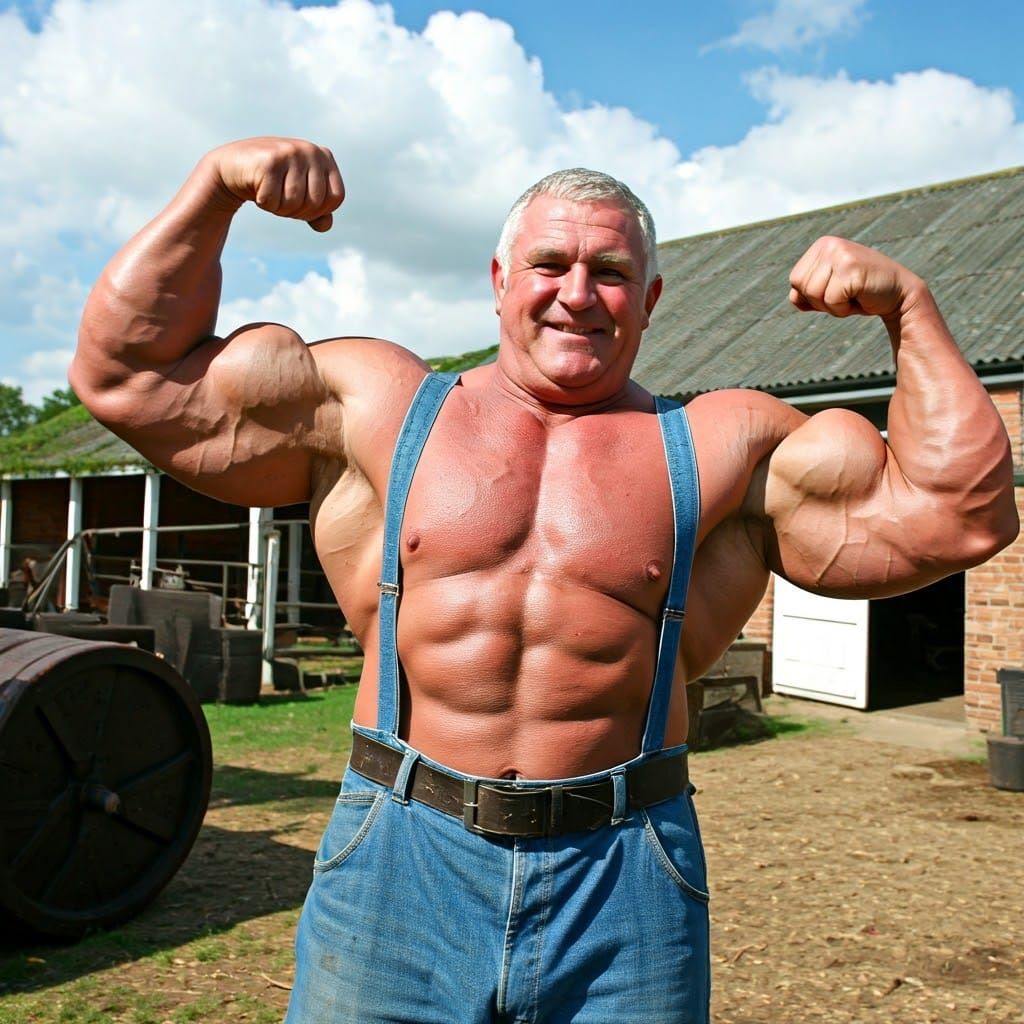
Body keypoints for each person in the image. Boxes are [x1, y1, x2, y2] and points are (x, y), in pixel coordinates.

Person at [72, 137, 1018, 1023]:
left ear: (649, 301)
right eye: (549, 265)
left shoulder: (725, 448)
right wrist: (213, 190)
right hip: (400, 854)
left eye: (610, 274)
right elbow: (129, 376)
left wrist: (911, 309)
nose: (578, 294)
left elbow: (961, 513)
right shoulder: (375, 406)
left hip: (625, 871)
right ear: (497, 282)